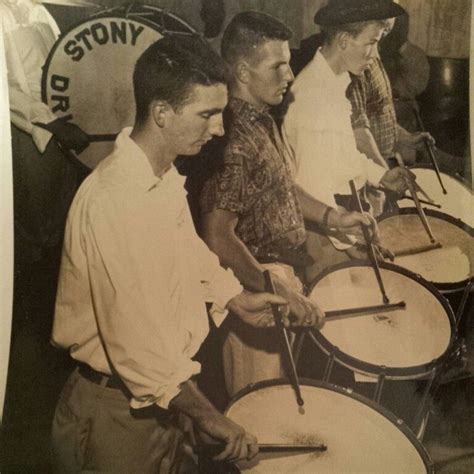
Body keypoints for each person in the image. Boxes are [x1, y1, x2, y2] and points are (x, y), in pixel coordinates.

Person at [50, 36, 295, 473]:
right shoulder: (114, 200)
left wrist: (234, 297)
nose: (219, 129)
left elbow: (188, 255)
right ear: (162, 112)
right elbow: (138, 347)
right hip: (119, 411)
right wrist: (212, 417)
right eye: (207, 114)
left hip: (165, 397)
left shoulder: (160, 178)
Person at [197, 11, 375, 396]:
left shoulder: (263, 119)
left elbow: (283, 187)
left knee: (284, 400)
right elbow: (217, 234)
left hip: (282, 278)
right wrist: (278, 289)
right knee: (261, 411)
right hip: (259, 290)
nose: (290, 76)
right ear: (242, 72)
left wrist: (334, 217)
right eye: (277, 67)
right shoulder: (233, 139)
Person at [282, 0, 409, 280]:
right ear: (343, 40)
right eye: (371, 43)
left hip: (341, 225)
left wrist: (381, 176)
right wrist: (351, 245)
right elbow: (313, 188)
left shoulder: (334, 82)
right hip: (327, 237)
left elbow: (343, 155)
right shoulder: (313, 97)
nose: (375, 55)